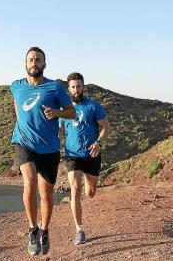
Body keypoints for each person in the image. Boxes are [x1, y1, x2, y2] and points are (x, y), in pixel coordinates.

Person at [10, 47, 76, 256]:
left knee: (46, 195)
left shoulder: (54, 88)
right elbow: (17, 107)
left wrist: (56, 112)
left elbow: (72, 112)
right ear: (26, 63)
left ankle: (45, 231)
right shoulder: (16, 86)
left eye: (38, 60)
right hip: (24, 143)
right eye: (31, 59)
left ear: (44, 64)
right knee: (29, 182)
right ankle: (32, 229)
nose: (34, 62)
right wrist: (22, 127)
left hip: (49, 147)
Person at [59, 72, 111, 245]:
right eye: (73, 87)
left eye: (79, 86)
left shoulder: (93, 106)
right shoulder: (64, 110)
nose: (76, 89)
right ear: (69, 88)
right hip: (72, 155)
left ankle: (92, 187)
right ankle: (80, 230)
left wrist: (98, 143)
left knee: (90, 192)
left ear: (83, 86)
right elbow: (59, 130)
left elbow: (105, 128)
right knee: (75, 188)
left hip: (92, 154)